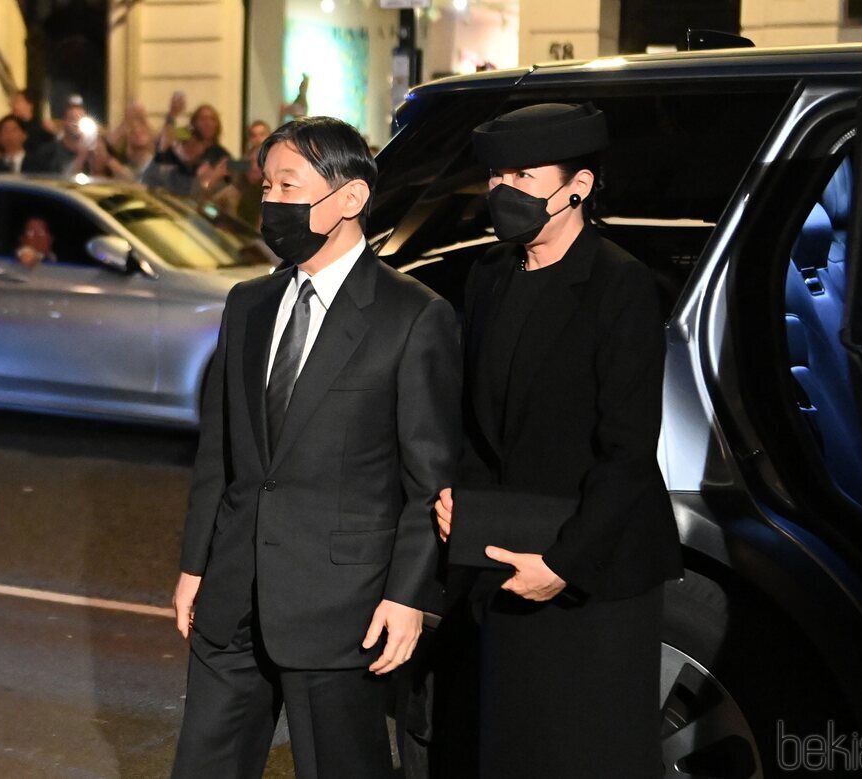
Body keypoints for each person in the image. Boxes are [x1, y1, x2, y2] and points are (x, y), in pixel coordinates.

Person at [170, 116, 461, 778]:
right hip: (233, 597)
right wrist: (196, 564)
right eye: (266, 185)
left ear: (350, 197)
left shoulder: (412, 315)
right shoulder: (248, 302)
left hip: (342, 607)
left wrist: (407, 595)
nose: (272, 202)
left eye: (288, 185)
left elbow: (428, 479)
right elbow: (220, 452)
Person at [434, 103, 683, 777]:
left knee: (583, 750)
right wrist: (456, 499)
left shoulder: (620, 284)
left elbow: (629, 449)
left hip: (592, 574)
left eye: (523, 173)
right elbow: (477, 421)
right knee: (509, 747)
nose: (502, 189)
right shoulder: (490, 274)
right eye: (494, 175)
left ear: (578, 186)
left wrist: (565, 565)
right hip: (504, 556)